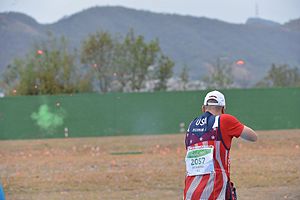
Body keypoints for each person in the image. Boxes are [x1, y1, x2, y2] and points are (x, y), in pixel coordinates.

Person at [183, 90, 257, 200]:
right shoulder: (224, 120)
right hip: (215, 189)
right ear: (223, 109)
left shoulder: (191, 126)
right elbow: (253, 137)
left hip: (190, 191)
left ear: (203, 108)